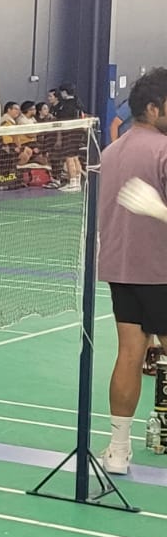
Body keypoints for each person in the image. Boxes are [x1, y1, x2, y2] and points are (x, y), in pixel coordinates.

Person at [97, 67, 167, 476]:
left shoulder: (111, 153)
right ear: (153, 109)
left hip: (121, 269)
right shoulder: (164, 150)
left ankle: (118, 450)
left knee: (129, 353)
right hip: (161, 270)